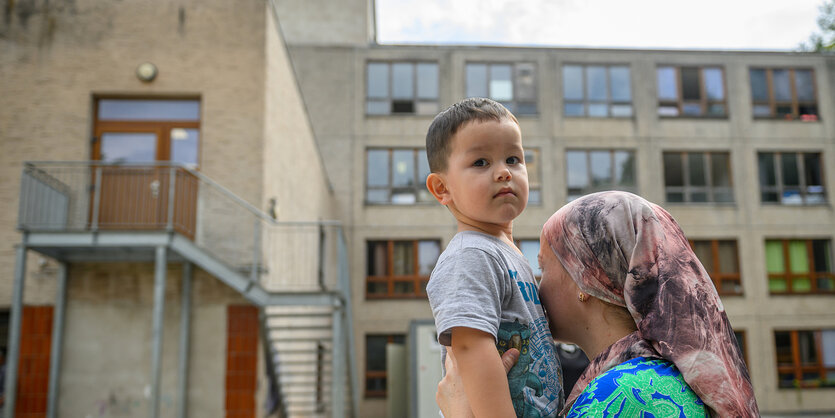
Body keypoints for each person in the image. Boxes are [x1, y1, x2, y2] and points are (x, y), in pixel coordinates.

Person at [438, 191, 759, 417]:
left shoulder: (624, 393)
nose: (536, 287)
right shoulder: (656, 378)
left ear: (585, 280)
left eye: (544, 268)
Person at [424, 97, 564, 418]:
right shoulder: (471, 254)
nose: (503, 172)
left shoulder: (508, 254)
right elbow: (470, 346)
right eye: (481, 163)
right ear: (442, 188)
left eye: (513, 159)